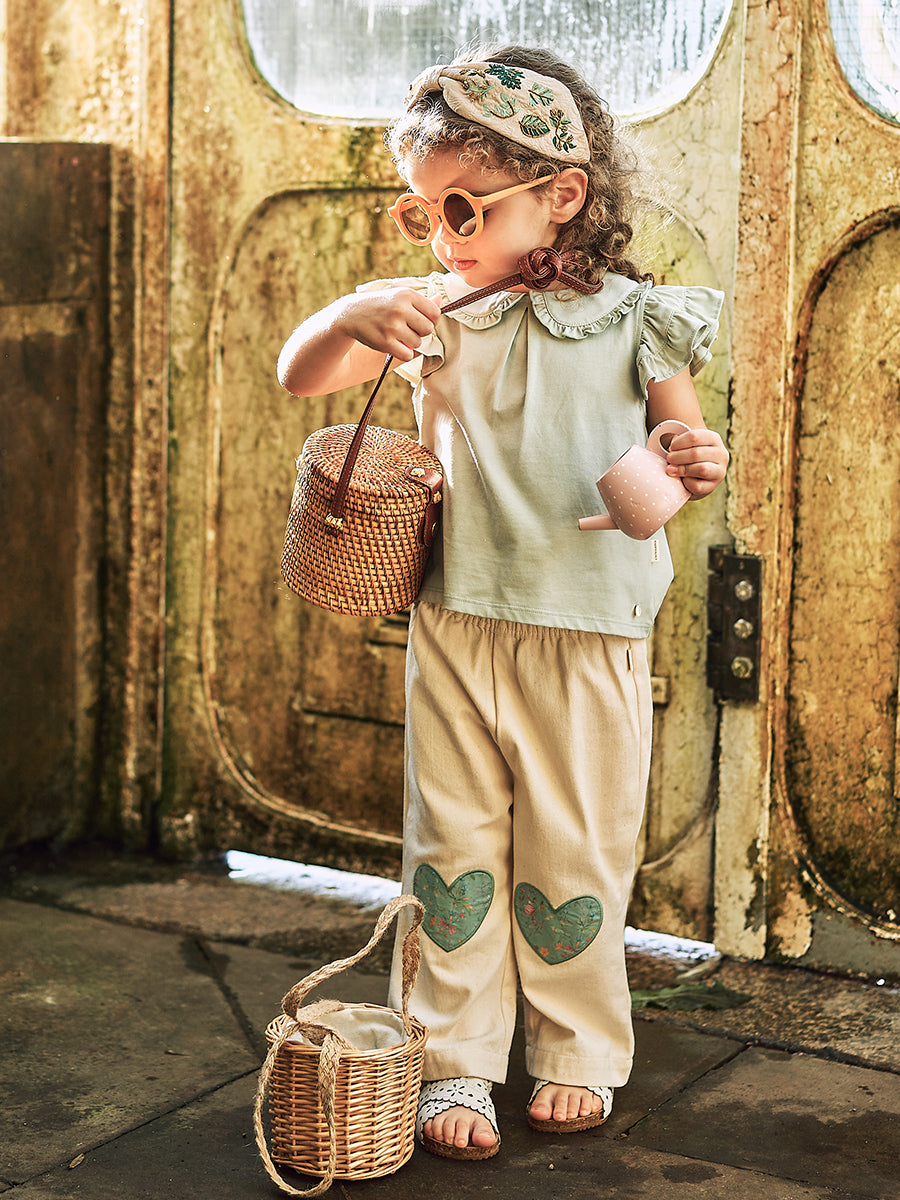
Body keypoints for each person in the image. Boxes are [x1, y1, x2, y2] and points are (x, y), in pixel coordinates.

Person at [277, 44, 729, 1162]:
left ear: (561, 196)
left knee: (578, 852)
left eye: (464, 207)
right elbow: (302, 375)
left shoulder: (639, 318)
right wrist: (355, 311)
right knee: (452, 848)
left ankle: (578, 1048)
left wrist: (692, 458)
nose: (442, 237)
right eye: (420, 211)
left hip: (589, 629)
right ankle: (451, 1059)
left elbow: (683, 444)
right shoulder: (436, 313)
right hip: (459, 617)